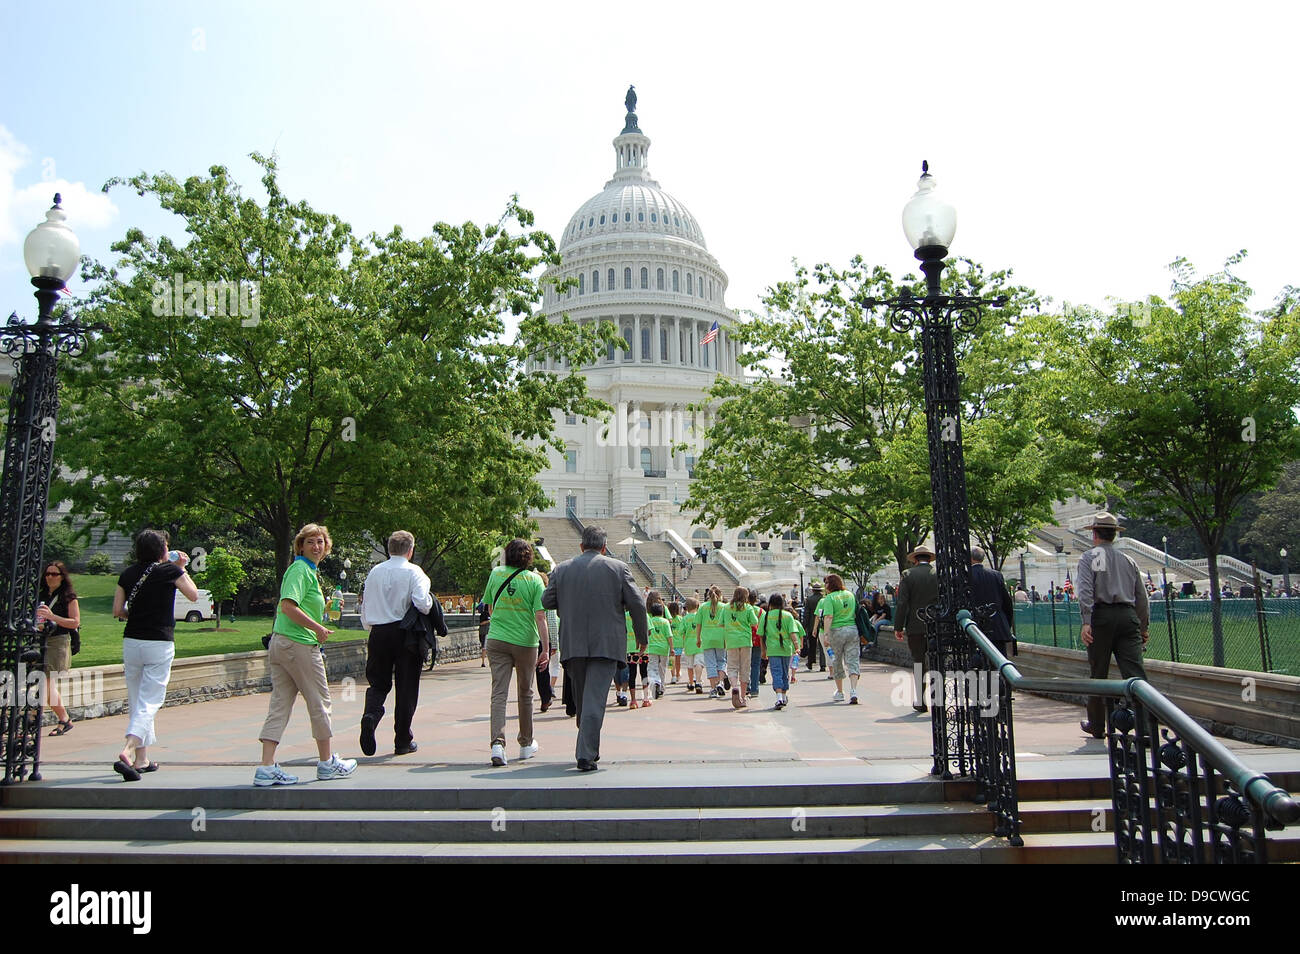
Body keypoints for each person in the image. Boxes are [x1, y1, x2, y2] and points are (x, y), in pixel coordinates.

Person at [255, 524, 357, 786]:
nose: (317, 546)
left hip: (282, 644)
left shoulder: (307, 572)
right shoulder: (300, 570)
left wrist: (323, 609)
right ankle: (326, 763)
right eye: (311, 542)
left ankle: (266, 767)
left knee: (280, 704)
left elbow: (299, 606)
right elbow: (287, 606)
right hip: (299, 644)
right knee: (320, 701)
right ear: (300, 545)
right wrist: (318, 628)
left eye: (321, 542)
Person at [541, 525, 647, 771]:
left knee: (584, 699)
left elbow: (547, 600)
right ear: (603, 546)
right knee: (593, 700)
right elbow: (637, 604)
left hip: (573, 644)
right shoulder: (618, 569)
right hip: (606, 644)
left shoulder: (562, 569)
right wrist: (642, 636)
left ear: (581, 546)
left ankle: (586, 745)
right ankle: (586, 754)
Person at [109, 529, 200, 781]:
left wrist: (138, 615)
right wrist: (181, 567)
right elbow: (193, 594)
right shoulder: (169, 571)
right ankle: (128, 750)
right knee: (150, 701)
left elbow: (118, 610)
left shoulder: (127, 573)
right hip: (158, 642)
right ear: (162, 550)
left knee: (137, 700)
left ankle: (142, 759)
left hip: (132, 641)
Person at [358, 531, 433, 757]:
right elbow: (422, 603)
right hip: (405, 633)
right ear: (410, 550)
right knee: (407, 688)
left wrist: (370, 627)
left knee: (378, 683)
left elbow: (366, 604)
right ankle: (402, 740)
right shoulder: (415, 572)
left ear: (389, 548)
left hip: (379, 632)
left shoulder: (374, 572)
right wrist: (430, 603)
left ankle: (371, 715)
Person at [1077, 512, 1149, 739]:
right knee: (1136, 675)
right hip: (1128, 616)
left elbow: (1086, 591)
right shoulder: (1129, 560)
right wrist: (1143, 626)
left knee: (1098, 673)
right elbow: (1142, 596)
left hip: (1102, 617)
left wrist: (1086, 621)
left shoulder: (1090, 557)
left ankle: (1097, 725)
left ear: (1095, 534)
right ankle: (1145, 728)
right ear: (1114, 535)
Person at [482, 538, 549, 765]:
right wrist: (546, 648)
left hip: (498, 638)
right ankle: (526, 742)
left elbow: (490, 606)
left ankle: (497, 745)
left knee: (498, 694)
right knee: (525, 693)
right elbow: (540, 616)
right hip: (525, 641)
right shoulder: (534, 580)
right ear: (528, 557)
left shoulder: (496, 573)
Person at [894, 544, 939, 712]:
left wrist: (898, 626)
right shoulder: (938, 574)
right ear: (929, 558)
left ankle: (920, 700)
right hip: (936, 624)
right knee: (937, 661)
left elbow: (902, 603)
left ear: (914, 559)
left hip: (915, 625)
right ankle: (938, 698)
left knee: (919, 662)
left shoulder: (908, 575)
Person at [37, 561, 79, 737]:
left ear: (62, 577)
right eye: (47, 574)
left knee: (45, 684)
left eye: (54, 574)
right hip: (41, 641)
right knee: (43, 684)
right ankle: (64, 719)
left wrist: (52, 616)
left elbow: (75, 621)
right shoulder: (42, 595)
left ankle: (34, 722)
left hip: (58, 642)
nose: (50, 577)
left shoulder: (68, 596)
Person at [814, 574, 860, 704]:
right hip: (851, 629)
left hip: (836, 631)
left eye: (827, 583)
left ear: (831, 584)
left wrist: (826, 635)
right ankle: (853, 690)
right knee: (853, 660)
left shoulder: (830, 598)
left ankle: (840, 692)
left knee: (837, 661)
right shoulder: (850, 594)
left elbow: (828, 617)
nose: (825, 585)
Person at [968, 547, 1015, 657]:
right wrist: (1006, 624)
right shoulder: (996, 575)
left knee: (979, 663)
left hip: (975, 625)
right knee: (999, 660)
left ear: (970, 558)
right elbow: (1007, 603)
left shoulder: (965, 576)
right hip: (997, 625)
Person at [760, 594, 799, 710]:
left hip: (772, 649)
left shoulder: (766, 616)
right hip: (786, 648)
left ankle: (778, 697)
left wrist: (763, 651)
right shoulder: (788, 616)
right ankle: (784, 695)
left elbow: (761, 635)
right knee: (784, 673)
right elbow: (793, 633)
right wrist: (797, 646)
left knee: (776, 672)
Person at [723, 586, 760, 709]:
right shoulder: (748, 608)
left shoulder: (726, 607)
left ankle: (734, 687)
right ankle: (743, 697)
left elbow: (720, 623)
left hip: (731, 641)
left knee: (732, 667)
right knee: (745, 668)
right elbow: (755, 623)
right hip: (745, 641)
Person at [696, 586, 730, 698]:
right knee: (722, 661)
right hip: (721, 638)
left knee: (710, 663)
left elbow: (699, 624)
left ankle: (713, 688)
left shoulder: (702, 607)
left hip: (707, 638)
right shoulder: (724, 607)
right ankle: (720, 682)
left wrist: (698, 638)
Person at [646, 603, 674, 700]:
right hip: (663, 648)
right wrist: (672, 648)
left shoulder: (649, 620)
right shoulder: (665, 622)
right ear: (662, 612)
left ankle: (655, 683)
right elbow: (669, 636)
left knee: (652, 667)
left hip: (652, 648)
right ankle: (661, 686)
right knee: (662, 668)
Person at [801, 581, 826, 672]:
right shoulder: (824, 599)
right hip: (823, 624)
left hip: (812, 625)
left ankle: (810, 663)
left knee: (812, 645)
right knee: (823, 644)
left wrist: (804, 626)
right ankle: (823, 664)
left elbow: (806, 614)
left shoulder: (809, 600)